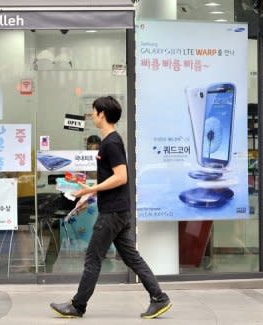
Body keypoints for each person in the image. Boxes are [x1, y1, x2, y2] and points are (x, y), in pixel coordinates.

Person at [50, 96, 172, 319]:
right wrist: (90, 191)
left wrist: (89, 190)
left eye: (94, 111)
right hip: (119, 210)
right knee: (132, 257)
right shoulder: (110, 141)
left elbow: (121, 177)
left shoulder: (111, 143)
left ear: (102, 114)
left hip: (113, 213)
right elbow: (112, 179)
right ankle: (159, 297)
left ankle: (77, 306)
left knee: (93, 258)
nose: (92, 115)